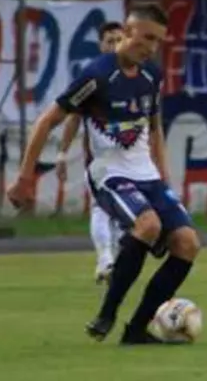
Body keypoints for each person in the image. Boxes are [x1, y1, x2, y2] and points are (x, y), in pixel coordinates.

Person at [7, 5, 201, 345]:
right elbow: (47, 120)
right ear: (126, 33)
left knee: (187, 244)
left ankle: (137, 329)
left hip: (147, 174)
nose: (152, 48)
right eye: (146, 39)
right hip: (108, 174)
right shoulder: (96, 76)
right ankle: (107, 312)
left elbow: (154, 128)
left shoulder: (151, 76)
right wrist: (25, 177)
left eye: (158, 41)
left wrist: (164, 175)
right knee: (149, 225)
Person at [55, 21, 123, 284]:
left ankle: (111, 262)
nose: (114, 45)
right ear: (100, 44)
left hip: (130, 160)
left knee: (120, 216)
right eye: (109, 40)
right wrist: (62, 154)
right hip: (101, 161)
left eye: (119, 39)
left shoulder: (134, 74)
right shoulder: (92, 77)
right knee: (102, 209)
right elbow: (73, 117)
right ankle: (105, 259)